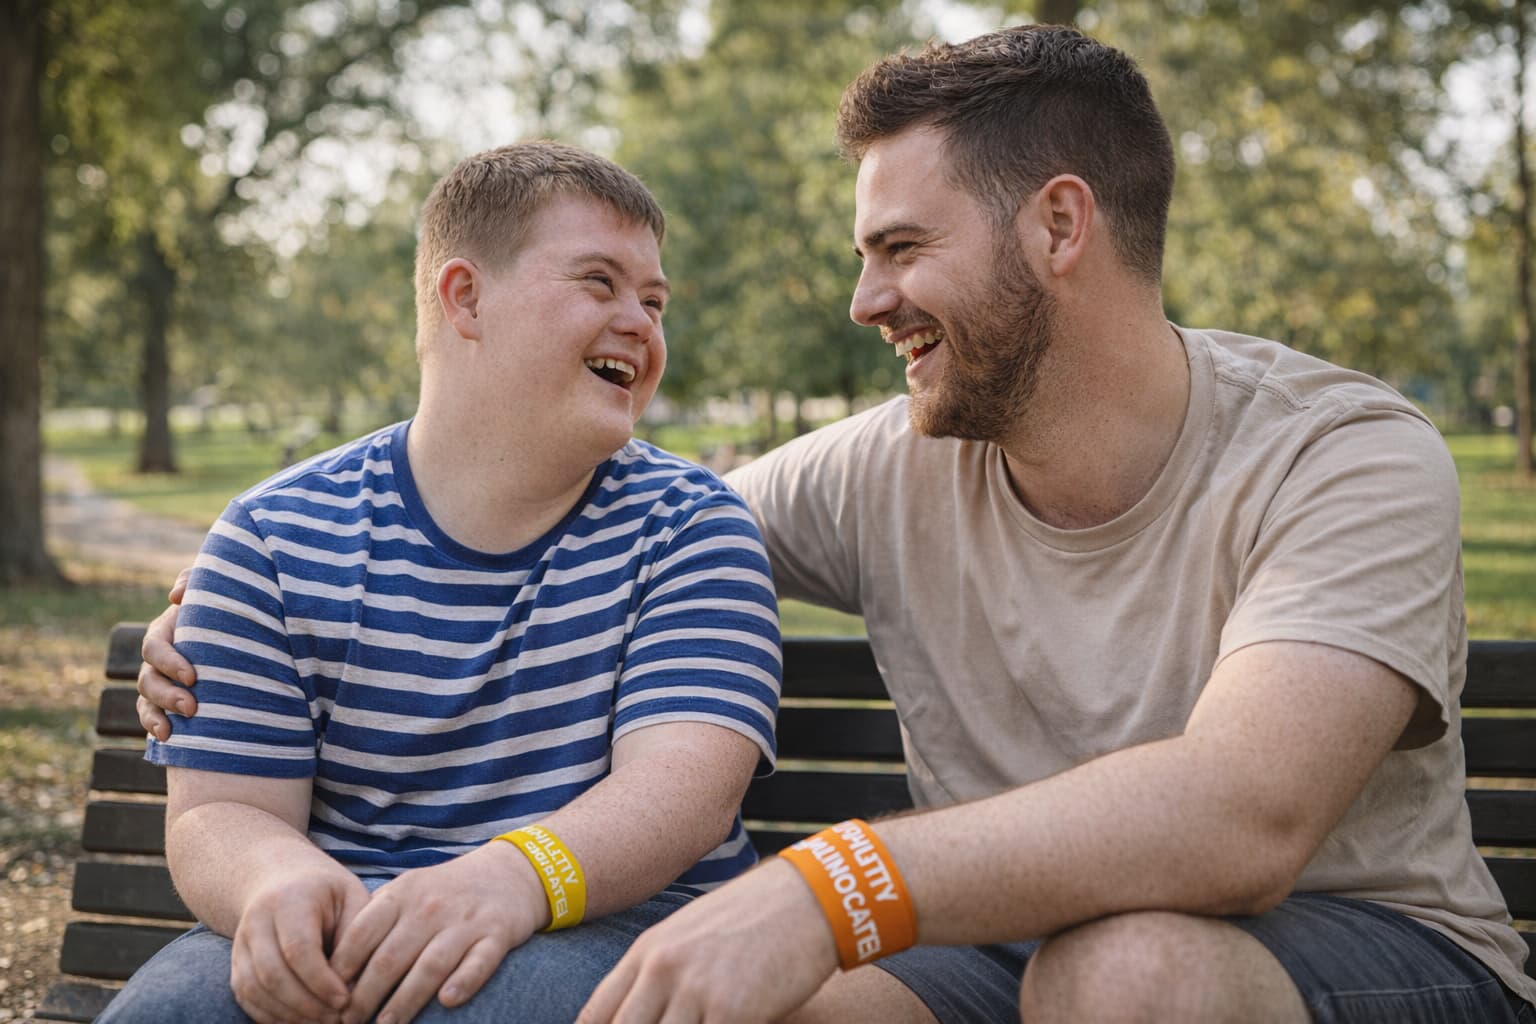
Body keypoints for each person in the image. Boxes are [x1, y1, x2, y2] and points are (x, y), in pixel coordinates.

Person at [138, 25, 1536, 1024]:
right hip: (1006, 950)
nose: (866, 302)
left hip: (1343, 950)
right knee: (756, 1007)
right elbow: (614, 530)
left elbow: (1246, 816)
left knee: (1131, 974)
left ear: (1061, 225)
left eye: (902, 250)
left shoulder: (1346, 456)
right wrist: (228, 592)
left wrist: (825, 888)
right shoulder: (889, 468)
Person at [105, 141, 781, 1024]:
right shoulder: (271, 535)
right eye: (600, 282)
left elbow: (685, 794)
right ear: (465, 297)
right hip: (347, 915)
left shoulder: (690, 527)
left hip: (621, 925)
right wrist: (280, 885)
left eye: (654, 301)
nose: (643, 324)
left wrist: (511, 880)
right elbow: (220, 810)